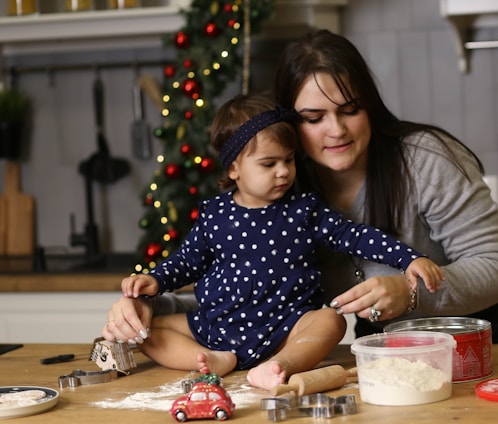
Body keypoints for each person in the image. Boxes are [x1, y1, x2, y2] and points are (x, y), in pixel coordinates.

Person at [103, 29, 498, 348]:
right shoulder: (281, 190)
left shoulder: (425, 158)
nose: (336, 130)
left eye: (349, 110)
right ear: (289, 125)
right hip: (390, 352)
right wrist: (149, 304)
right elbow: (239, 302)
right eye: (313, 118)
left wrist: (409, 292)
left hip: (491, 342)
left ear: (369, 106)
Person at [115, 93, 444, 391]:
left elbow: (355, 236)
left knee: (331, 320)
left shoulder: (304, 210)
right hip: (216, 327)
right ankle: (211, 359)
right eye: (268, 164)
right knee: (147, 333)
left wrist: (408, 259)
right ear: (233, 168)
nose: (284, 172)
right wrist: (155, 280)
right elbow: (187, 260)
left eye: (288, 160)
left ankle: (278, 366)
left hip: (287, 328)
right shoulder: (214, 214)